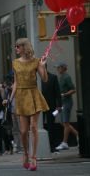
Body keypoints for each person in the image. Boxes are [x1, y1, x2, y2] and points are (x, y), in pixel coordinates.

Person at [10, 38, 49, 171]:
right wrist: (10, 98)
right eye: (16, 47)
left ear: (24, 47)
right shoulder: (15, 63)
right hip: (21, 96)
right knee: (23, 131)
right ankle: (25, 154)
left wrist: (43, 66)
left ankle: (34, 156)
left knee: (33, 127)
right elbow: (15, 82)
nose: (16, 49)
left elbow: (44, 79)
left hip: (33, 94)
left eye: (18, 47)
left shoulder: (36, 61)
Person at [54, 62, 79, 151]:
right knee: (63, 123)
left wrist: (64, 95)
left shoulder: (66, 77)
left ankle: (65, 143)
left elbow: (73, 89)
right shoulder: (61, 77)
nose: (57, 69)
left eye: (59, 67)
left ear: (63, 68)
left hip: (67, 102)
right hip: (62, 103)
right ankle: (78, 135)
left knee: (65, 123)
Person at [41, 66, 62, 152]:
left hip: (51, 105)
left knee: (51, 126)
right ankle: (42, 147)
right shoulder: (36, 78)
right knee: (39, 126)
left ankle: (52, 146)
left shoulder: (53, 77)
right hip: (39, 106)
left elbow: (57, 92)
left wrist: (59, 105)